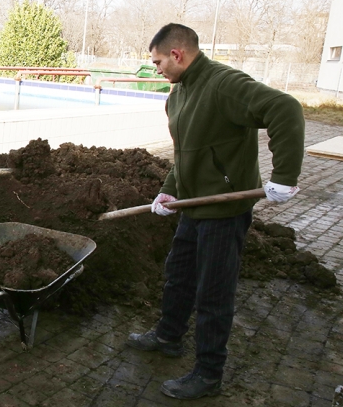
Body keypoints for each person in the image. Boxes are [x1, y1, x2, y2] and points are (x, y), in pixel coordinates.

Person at [126, 23, 304, 400]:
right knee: (178, 275)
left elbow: (284, 108)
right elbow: (183, 154)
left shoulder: (224, 84)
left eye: (158, 61)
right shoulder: (177, 96)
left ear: (177, 54)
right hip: (193, 207)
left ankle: (208, 373)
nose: (155, 68)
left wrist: (284, 175)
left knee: (213, 293)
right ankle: (169, 337)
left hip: (224, 210)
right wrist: (167, 193)